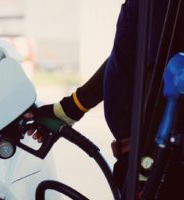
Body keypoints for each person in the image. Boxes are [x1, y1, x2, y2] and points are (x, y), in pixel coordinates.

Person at [24, 0, 184, 192]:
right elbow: (129, 57)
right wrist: (70, 109)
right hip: (140, 163)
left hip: (159, 167)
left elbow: (164, 66)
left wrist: (152, 158)